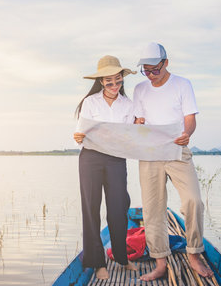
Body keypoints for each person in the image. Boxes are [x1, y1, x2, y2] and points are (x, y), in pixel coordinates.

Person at [133, 42, 214, 280]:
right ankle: (160, 263)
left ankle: (194, 255)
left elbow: (190, 119)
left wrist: (187, 134)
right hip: (150, 154)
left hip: (178, 151)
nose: (149, 75)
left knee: (194, 201)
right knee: (152, 210)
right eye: (145, 70)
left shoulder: (182, 84)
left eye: (153, 70)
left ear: (165, 63)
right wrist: (138, 125)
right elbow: (139, 120)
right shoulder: (140, 89)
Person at [73, 55, 138, 279]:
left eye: (117, 80)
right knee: (91, 209)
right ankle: (97, 262)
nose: (113, 86)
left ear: (122, 79)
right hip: (90, 158)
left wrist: (138, 127)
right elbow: (81, 136)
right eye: (108, 82)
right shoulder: (90, 103)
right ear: (101, 81)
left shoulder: (129, 106)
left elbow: (131, 137)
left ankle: (121, 257)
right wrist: (78, 136)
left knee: (119, 207)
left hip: (116, 159)